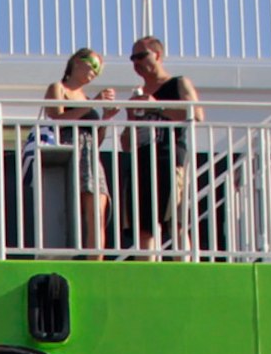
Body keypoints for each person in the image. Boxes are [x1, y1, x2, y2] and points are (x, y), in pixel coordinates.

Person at [122, 36, 199, 256]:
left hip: (169, 156)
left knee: (175, 221)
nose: (135, 62)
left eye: (141, 55)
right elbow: (126, 144)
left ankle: (184, 271)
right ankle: (148, 272)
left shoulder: (178, 83)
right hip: (141, 161)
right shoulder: (137, 96)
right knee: (144, 226)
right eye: (132, 58)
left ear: (157, 55)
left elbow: (196, 114)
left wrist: (157, 106)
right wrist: (130, 116)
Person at [41, 49, 123, 253]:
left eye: (99, 70)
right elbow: (57, 120)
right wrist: (92, 104)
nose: (96, 71)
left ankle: (96, 262)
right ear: (77, 61)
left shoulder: (87, 98)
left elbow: (97, 139)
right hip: (68, 150)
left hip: (89, 153)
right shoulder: (58, 88)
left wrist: (105, 117)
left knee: (97, 212)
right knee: (69, 210)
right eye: (93, 65)